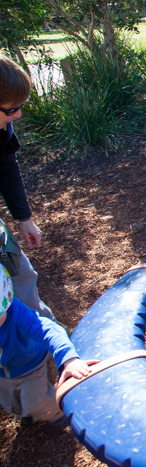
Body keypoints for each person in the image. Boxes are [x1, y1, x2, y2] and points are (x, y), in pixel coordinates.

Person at [0, 265, 94, 429]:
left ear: (6, 301)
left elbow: (49, 331)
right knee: (10, 403)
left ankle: (56, 412)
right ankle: (26, 411)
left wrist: (69, 359)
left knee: (39, 402)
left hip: (28, 367)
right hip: (3, 374)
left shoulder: (18, 315)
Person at [0, 55, 55, 320]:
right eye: (10, 110)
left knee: (22, 274)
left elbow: (7, 169)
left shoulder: (2, 129)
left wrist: (24, 218)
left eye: (20, 106)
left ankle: (49, 336)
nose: (18, 115)